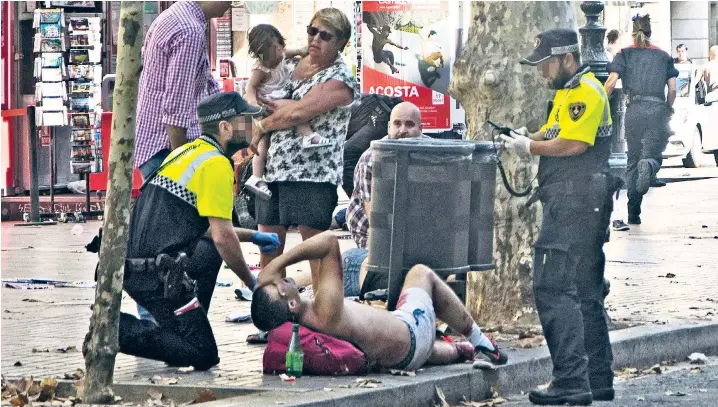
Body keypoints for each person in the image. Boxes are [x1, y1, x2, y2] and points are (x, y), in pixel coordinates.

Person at [108, 92, 276, 370]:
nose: (254, 126)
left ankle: (187, 323)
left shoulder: (188, 152)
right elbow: (222, 238)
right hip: (155, 275)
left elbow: (205, 228)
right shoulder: (216, 164)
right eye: (247, 120)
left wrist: (253, 236)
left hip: (134, 268)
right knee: (201, 353)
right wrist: (252, 284)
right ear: (225, 127)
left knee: (207, 255)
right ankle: (116, 330)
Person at [502, 28, 616, 405]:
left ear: (567, 59)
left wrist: (528, 146)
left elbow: (573, 143)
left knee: (552, 286)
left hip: (575, 203)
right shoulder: (569, 93)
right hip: (583, 201)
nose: (539, 73)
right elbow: (556, 131)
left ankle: (570, 380)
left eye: (545, 65)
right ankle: (596, 379)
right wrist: (524, 135)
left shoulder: (584, 92)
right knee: (584, 291)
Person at [251, 232, 507, 370]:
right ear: (291, 305)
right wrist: (277, 263)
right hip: (413, 334)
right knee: (421, 273)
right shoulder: (324, 311)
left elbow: (320, 254)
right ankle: (482, 343)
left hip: (403, 356)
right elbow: (329, 242)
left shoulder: (312, 315)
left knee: (445, 350)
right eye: (278, 286)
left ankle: (465, 351)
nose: (281, 280)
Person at [132, 1, 231, 322]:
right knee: (171, 246)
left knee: (163, 244)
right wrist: (183, 164)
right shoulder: (188, 29)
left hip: (159, 146)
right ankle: (157, 322)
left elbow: (203, 86)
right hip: (167, 148)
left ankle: (159, 320)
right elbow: (175, 108)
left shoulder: (181, 18)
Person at [250, 7, 359, 280]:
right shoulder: (293, 63)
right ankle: (275, 317)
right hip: (272, 171)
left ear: (340, 44)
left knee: (315, 251)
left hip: (311, 174)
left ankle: (324, 317)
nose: (315, 39)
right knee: (269, 250)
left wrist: (261, 125)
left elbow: (298, 113)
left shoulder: (340, 78)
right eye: (312, 31)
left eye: (325, 35)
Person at [605, 14, 678, 225]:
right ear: (650, 32)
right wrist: (667, 108)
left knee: (632, 161)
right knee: (653, 156)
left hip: (634, 111)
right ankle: (650, 165)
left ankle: (633, 213)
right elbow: (672, 89)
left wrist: (601, 104)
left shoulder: (624, 54)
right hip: (657, 110)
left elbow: (610, 83)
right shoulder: (664, 56)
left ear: (633, 32)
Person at [243, 24, 326, 201]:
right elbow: (250, 89)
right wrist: (254, 105)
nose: (273, 58)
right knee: (295, 111)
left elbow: (298, 51)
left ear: (281, 45)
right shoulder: (260, 69)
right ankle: (309, 136)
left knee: (262, 141)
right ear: (258, 56)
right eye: (265, 56)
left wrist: (307, 51)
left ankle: (256, 176)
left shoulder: (282, 55)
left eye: (276, 51)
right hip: (268, 105)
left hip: (277, 101)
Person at [347, 102, 430, 250]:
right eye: (397, 124)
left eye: (409, 124)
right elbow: (374, 215)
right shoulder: (372, 158)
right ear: (388, 127)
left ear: (420, 129)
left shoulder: (433, 154)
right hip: (372, 232)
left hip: (415, 224)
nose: (402, 130)